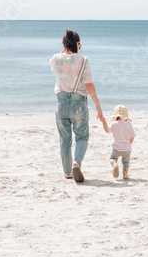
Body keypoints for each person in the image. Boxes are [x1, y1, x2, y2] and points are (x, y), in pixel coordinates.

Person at [49, 30, 103, 182]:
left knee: (64, 139)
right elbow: (89, 84)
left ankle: (67, 172)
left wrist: (66, 48)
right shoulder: (83, 60)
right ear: (77, 43)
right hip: (78, 103)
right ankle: (76, 162)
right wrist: (97, 104)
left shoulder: (56, 59)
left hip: (61, 103)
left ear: (64, 44)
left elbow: (57, 59)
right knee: (82, 136)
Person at [99, 105, 136, 179]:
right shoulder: (129, 125)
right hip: (127, 148)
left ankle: (115, 164)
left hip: (117, 148)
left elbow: (107, 130)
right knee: (126, 162)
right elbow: (132, 137)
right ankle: (125, 174)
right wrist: (129, 144)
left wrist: (103, 121)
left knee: (112, 158)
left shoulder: (114, 124)